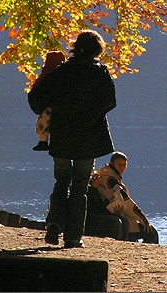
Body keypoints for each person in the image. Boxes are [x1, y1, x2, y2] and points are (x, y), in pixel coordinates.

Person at [28, 30, 116, 248]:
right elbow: (110, 102)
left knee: (61, 181)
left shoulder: (62, 72)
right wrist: (92, 114)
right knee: (80, 187)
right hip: (89, 137)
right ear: (98, 49)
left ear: (75, 47)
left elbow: (36, 98)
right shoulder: (101, 73)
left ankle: (54, 225)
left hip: (62, 137)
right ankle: (74, 237)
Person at [90, 151, 159, 244]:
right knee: (151, 232)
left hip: (116, 212)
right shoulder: (109, 178)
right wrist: (143, 219)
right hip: (107, 212)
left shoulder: (111, 175)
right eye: (119, 165)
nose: (122, 168)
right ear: (112, 164)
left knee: (138, 227)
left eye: (124, 165)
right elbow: (126, 201)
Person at [31, 50, 66, 151]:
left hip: (48, 108)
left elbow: (36, 91)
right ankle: (43, 142)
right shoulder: (65, 75)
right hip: (61, 110)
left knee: (43, 124)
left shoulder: (45, 76)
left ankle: (43, 142)